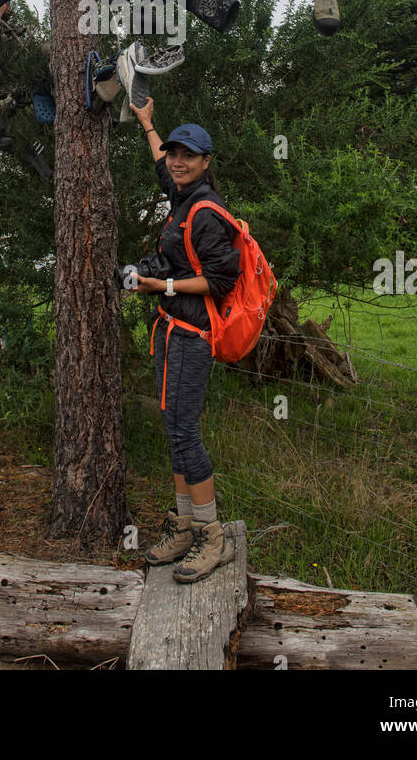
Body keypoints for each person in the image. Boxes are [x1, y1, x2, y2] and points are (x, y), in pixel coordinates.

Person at [127, 95, 241, 583]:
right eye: (174, 153)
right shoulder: (182, 195)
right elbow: (161, 170)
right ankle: (184, 524)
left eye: (187, 155)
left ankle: (211, 537)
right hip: (171, 329)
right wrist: (148, 125)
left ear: (206, 162)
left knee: (184, 430)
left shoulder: (208, 212)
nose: (176, 161)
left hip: (193, 334)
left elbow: (222, 280)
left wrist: (163, 285)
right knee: (172, 427)